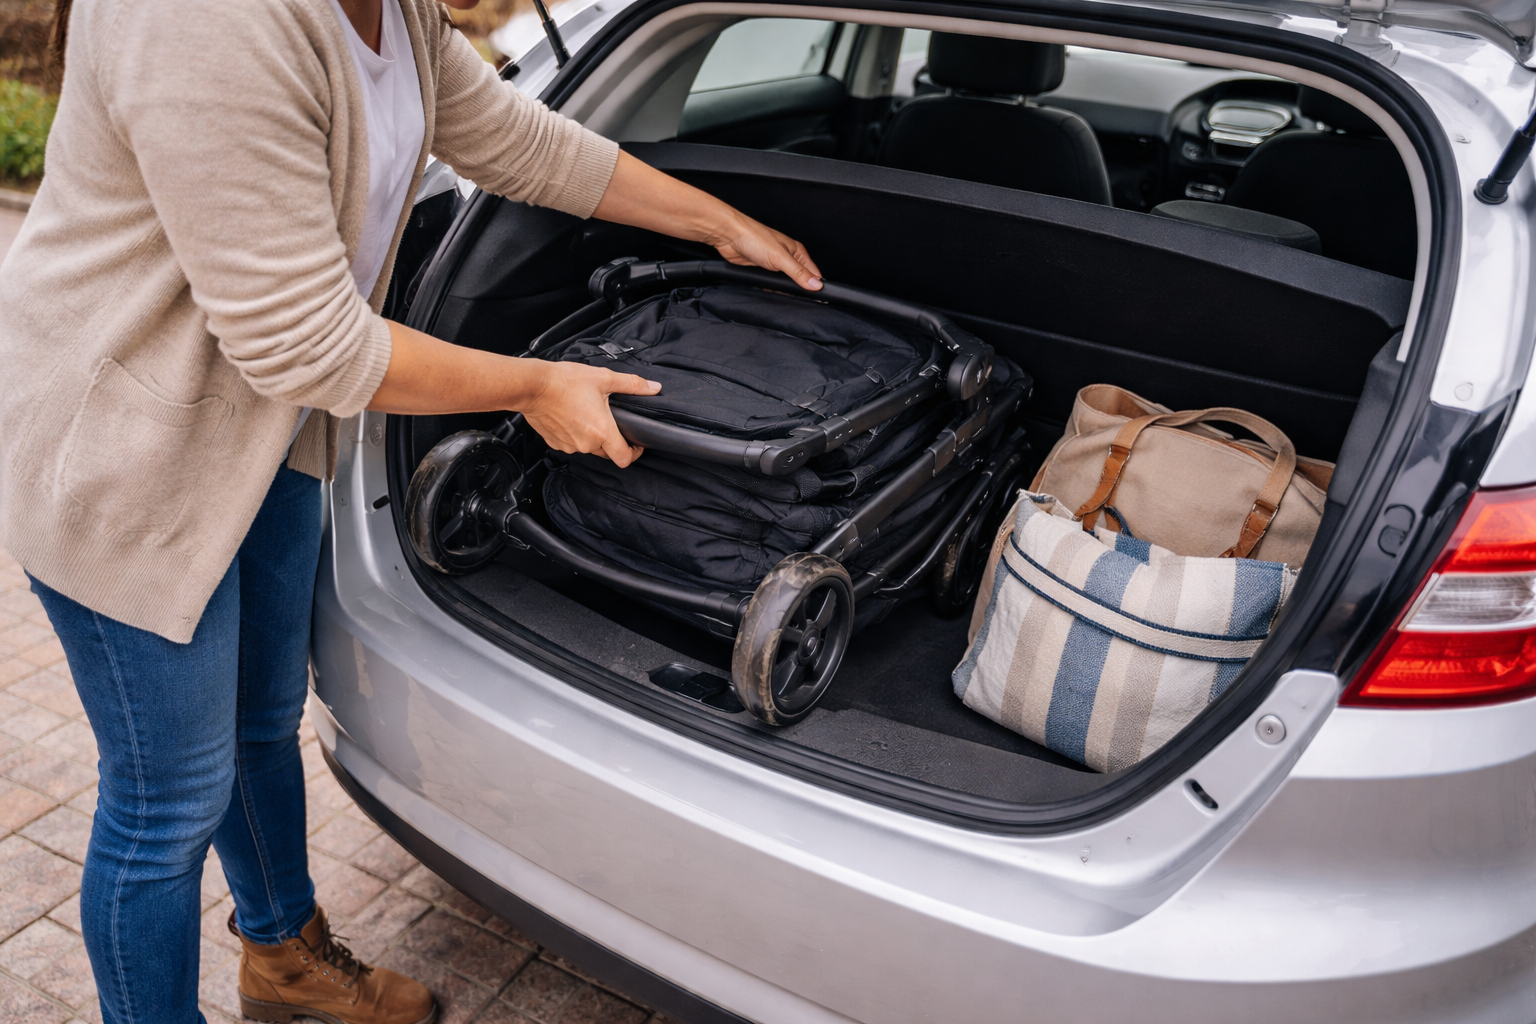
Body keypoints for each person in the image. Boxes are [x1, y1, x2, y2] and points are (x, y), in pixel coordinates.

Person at [0, 0, 823, 1021]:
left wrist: (716, 219)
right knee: (166, 801)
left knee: (261, 724)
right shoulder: (202, 21)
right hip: (129, 455)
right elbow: (308, 341)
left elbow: (514, 138)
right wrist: (532, 385)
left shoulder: (393, 12)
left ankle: (281, 957)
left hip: (261, 433)